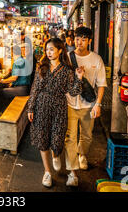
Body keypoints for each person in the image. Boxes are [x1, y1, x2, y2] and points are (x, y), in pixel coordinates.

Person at [26, 38, 83, 187]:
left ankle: (56, 154)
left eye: (52, 49)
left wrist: (79, 78)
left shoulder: (67, 70)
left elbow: (74, 91)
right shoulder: (41, 67)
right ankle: (47, 172)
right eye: (47, 50)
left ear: (59, 50)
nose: (48, 52)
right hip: (41, 105)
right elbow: (35, 88)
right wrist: (30, 108)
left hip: (59, 106)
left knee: (58, 139)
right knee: (42, 139)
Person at [64, 26, 107, 187]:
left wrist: (98, 104)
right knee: (70, 138)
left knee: (87, 136)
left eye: (83, 39)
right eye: (77, 38)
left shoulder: (96, 59)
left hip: (88, 104)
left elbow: (101, 84)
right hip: (69, 103)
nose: (79, 42)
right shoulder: (67, 57)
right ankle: (72, 172)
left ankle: (82, 154)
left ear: (89, 41)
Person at [0, 45, 32, 115]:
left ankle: (2, 114)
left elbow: (14, 78)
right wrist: (11, 83)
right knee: (7, 88)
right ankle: (8, 111)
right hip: (27, 87)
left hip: (22, 89)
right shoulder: (24, 60)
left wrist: (2, 81)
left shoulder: (17, 62)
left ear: (12, 53)